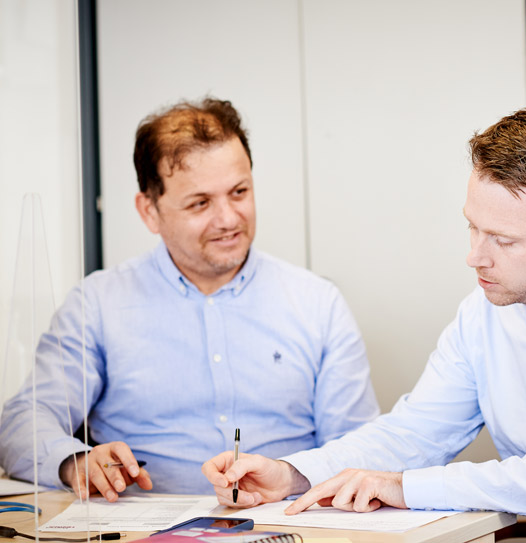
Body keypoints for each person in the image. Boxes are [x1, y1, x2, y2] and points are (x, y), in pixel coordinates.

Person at [202, 107, 526, 542]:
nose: (473, 256)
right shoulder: (483, 312)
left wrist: (406, 486)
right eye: (472, 226)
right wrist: (292, 474)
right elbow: (415, 431)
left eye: (502, 240)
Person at [0, 97, 379, 500]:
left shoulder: (317, 303)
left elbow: (361, 446)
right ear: (149, 211)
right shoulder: (98, 304)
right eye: (200, 203)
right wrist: (75, 463)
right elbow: (22, 423)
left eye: (239, 192)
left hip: (290, 526)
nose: (229, 219)